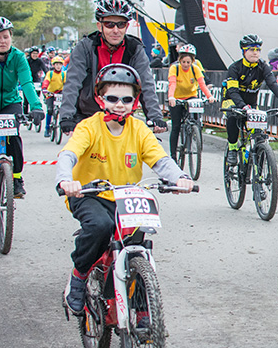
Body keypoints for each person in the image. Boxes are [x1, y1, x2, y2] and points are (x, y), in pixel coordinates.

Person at [55, 64, 193, 315]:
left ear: (135, 101)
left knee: (137, 239)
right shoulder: (88, 127)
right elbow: (68, 154)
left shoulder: (139, 129)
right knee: (100, 227)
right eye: (113, 98)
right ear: (100, 99)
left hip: (126, 198)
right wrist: (66, 180)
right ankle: (78, 276)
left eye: (127, 99)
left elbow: (160, 160)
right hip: (88, 195)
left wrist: (180, 177)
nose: (120, 104)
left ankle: (141, 309)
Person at [60, 0, 167, 134]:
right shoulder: (85, 47)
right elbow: (73, 83)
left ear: (127, 27)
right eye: (110, 24)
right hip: (88, 115)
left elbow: (146, 84)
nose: (116, 30)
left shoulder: (135, 49)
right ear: (100, 26)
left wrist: (155, 116)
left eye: (121, 25)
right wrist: (67, 117)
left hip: (122, 116)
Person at [0, 17, 44, 215]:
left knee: (14, 141)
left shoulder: (19, 57)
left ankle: (17, 178)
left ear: (11, 37)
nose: (2, 41)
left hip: (10, 103)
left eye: (5, 36)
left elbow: (27, 83)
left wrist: (36, 107)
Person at [221, 34, 278, 164]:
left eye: (258, 50)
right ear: (244, 51)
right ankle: (232, 149)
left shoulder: (263, 67)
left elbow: (273, 84)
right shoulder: (235, 68)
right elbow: (232, 91)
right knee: (233, 116)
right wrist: (242, 106)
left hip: (251, 104)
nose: (255, 53)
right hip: (232, 100)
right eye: (251, 49)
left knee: (258, 134)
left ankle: (257, 158)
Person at [167, 44, 215, 160]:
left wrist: (209, 96)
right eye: (183, 62)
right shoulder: (175, 68)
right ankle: (173, 156)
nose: (186, 65)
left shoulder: (195, 69)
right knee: (176, 126)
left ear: (192, 61)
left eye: (188, 62)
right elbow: (172, 84)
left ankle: (195, 130)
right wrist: (171, 97)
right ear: (180, 60)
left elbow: (202, 85)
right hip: (177, 97)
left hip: (191, 96)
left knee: (195, 115)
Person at [41, 56, 67, 137]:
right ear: (53, 65)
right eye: (56, 65)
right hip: (51, 93)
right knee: (50, 110)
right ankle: (47, 128)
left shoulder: (64, 74)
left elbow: (67, 84)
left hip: (60, 93)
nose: (58, 66)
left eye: (60, 64)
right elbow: (46, 81)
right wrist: (44, 88)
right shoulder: (50, 73)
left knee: (64, 109)